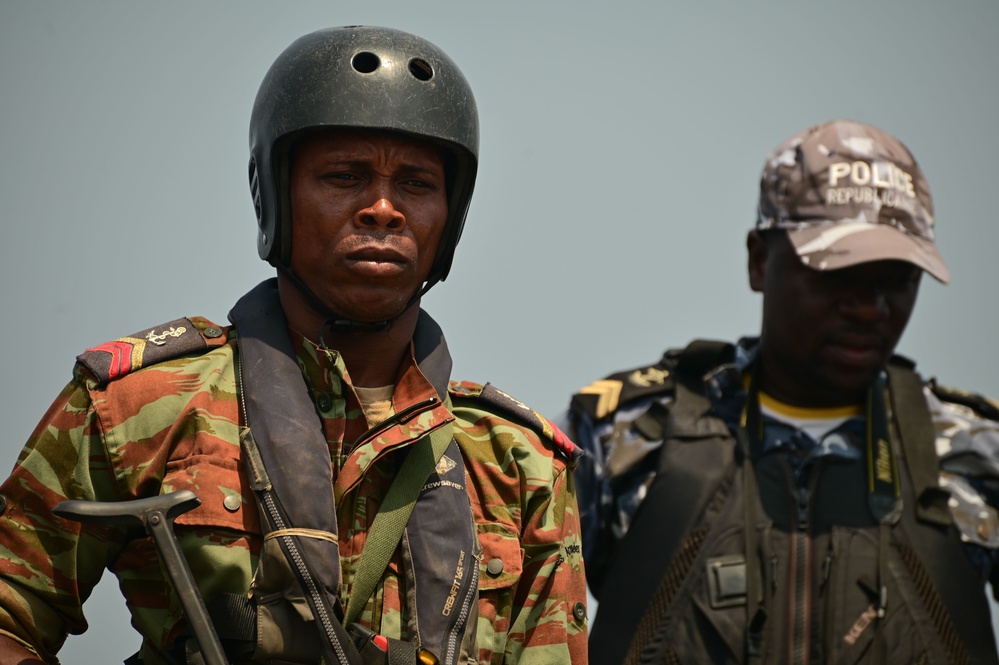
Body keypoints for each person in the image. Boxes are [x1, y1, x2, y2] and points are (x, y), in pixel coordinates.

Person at [0, 26, 587, 665]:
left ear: (451, 215)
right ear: (275, 194)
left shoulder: (519, 469)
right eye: (345, 175)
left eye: (417, 184)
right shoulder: (140, 404)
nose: (384, 208)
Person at [560, 119, 999, 664]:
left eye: (897, 279)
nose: (869, 308)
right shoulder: (621, 438)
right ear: (760, 261)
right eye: (838, 273)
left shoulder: (974, 454)